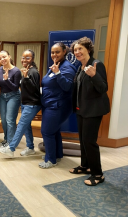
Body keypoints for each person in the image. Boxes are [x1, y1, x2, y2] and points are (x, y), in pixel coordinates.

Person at [69, 37, 110, 186]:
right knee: (83, 140)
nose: (77, 52)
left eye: (80, 49)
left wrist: (94, 75)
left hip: (93, 110)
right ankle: (85, 166)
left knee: (89, 142)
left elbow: (103, 88)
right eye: (75, 50)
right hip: (82, 109)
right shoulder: (80, 67)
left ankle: (98, 174)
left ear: (88, 49)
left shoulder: (97, 65)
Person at [39, 43, 76, 169]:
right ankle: (57, 155)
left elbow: (67, 86)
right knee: (54, 131)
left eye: (57, 52)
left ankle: (50, 160)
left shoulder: (67, 67)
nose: (54, 55)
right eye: (52, 52)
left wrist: (58, 73)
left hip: (57, 105)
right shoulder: (56, 65)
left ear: (64, 51)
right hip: (49, 103)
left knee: (47, 131)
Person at [0, 49, 41, 157]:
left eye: (28, 58)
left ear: (32, 59)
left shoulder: (33, 72)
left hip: (32, 104)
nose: (24, 60)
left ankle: (11, 148)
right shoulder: (27, 70)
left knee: (21, 125)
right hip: (25, 102)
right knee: (26, 126)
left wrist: (26, 77)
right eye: (23, 58)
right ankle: (30, 148)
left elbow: (34, 89)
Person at [0, 50, 21, 148]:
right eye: (0, 58)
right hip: (3, 96)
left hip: (13, 96)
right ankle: (6, 139)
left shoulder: (16, 71)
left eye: (4, 57)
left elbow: (15, 87)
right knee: (3, 120)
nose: (2, 59)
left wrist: (6, 80)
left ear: (9, 56)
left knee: (10, 120)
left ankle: (11, 143)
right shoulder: (0, 69)